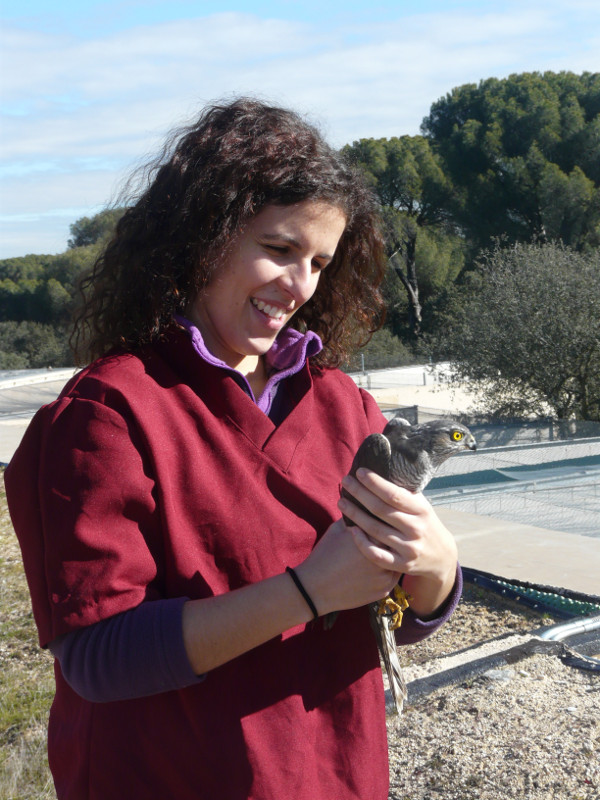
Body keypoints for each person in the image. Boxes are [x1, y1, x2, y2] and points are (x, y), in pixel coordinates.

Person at [5, 98, 462, 800]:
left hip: (334, 777)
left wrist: (436, 567)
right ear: (204, 235)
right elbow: (97, 657)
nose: (299, 285)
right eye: (278, 249)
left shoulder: (345, 405)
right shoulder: (107, 414)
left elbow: (388, 616)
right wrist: (308, 591)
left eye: (319, 261)